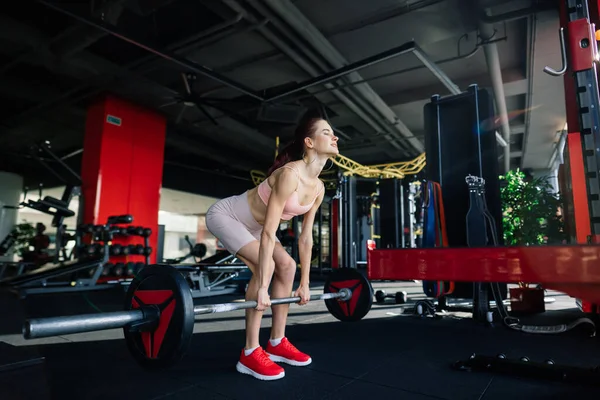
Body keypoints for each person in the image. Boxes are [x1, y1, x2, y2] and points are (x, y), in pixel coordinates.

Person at [205, 110, 339, 381]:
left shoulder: (319, 187)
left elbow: (306, 237)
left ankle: (277, 343)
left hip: (256, 226)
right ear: (309, 142)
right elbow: (269, 233)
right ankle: (250, 352)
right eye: (326, 132)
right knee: (263, 266)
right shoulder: (290, 174)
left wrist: (304, 283)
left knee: (287, 265)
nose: (334, 136)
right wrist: (263, 287)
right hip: (227, 216)